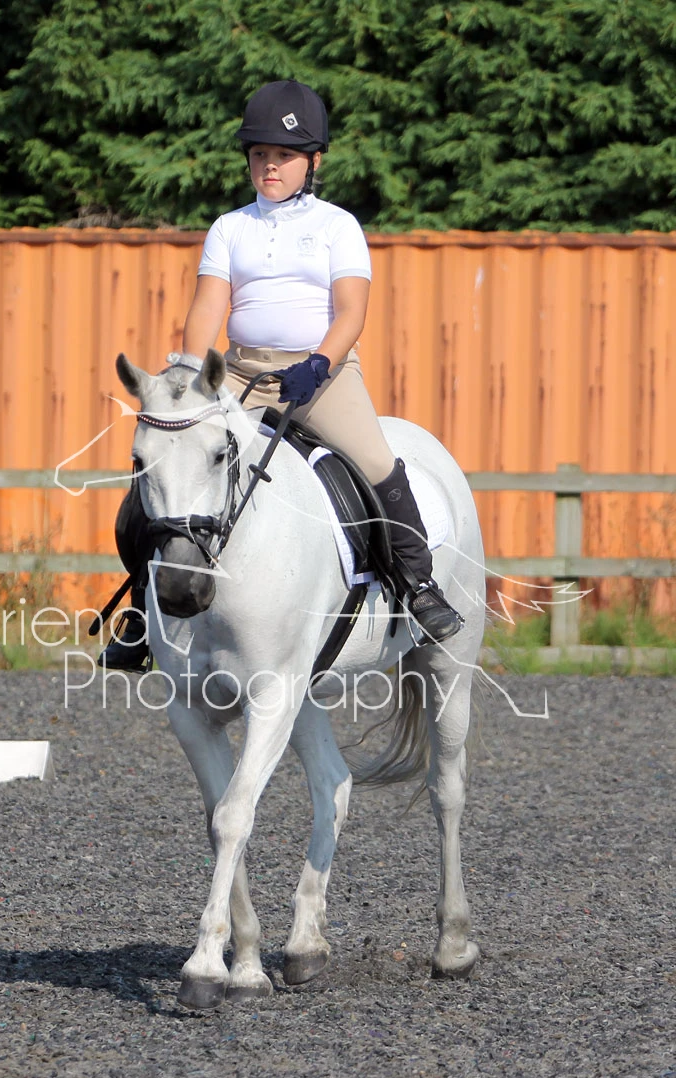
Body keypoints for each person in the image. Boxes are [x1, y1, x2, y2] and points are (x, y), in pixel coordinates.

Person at [99, 79, 462, 669]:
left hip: (323, 375)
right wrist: (193, 377)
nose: (270, 165)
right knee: (169, 464)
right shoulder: (229, 227)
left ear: (313, 162)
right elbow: (207, 310)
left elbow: (352, 312)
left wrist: (318, 363)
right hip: (238, 372)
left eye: (285, 155)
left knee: (377, 464)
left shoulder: (338, 226)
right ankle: (143, 611)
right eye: (260, 153)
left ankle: (419, 587)